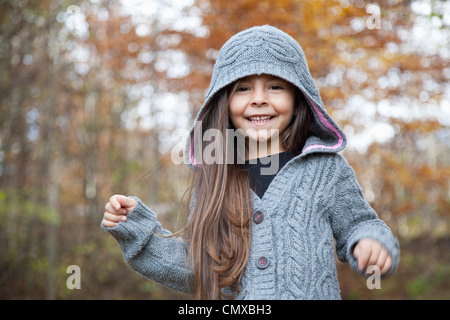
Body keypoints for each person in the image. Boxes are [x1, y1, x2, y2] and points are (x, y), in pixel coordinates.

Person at [101, 25, 399, 300]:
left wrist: (370, 241)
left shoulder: (326, 170)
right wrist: (137, 231)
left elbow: (360, 224)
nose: (258, 99)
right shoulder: (215, 177)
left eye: (275, 86)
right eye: (243, 88)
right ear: (224, 102)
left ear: (298, 98)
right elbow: (198, 270)